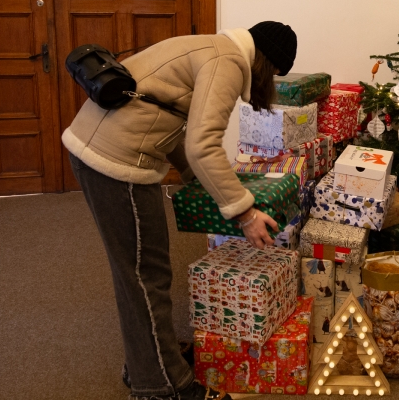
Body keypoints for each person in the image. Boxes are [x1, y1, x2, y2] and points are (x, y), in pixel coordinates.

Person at [63, 22, 297, 400]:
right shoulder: (229, 62)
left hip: (99, 146)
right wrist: (246, 215)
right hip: (115, 161)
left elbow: (169, 120)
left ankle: (149, 362)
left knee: (137, 273)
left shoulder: (211, 47)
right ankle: (163, 386)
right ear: (267, 64)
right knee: (146, 276)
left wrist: (197, 181)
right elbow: (202, 146)